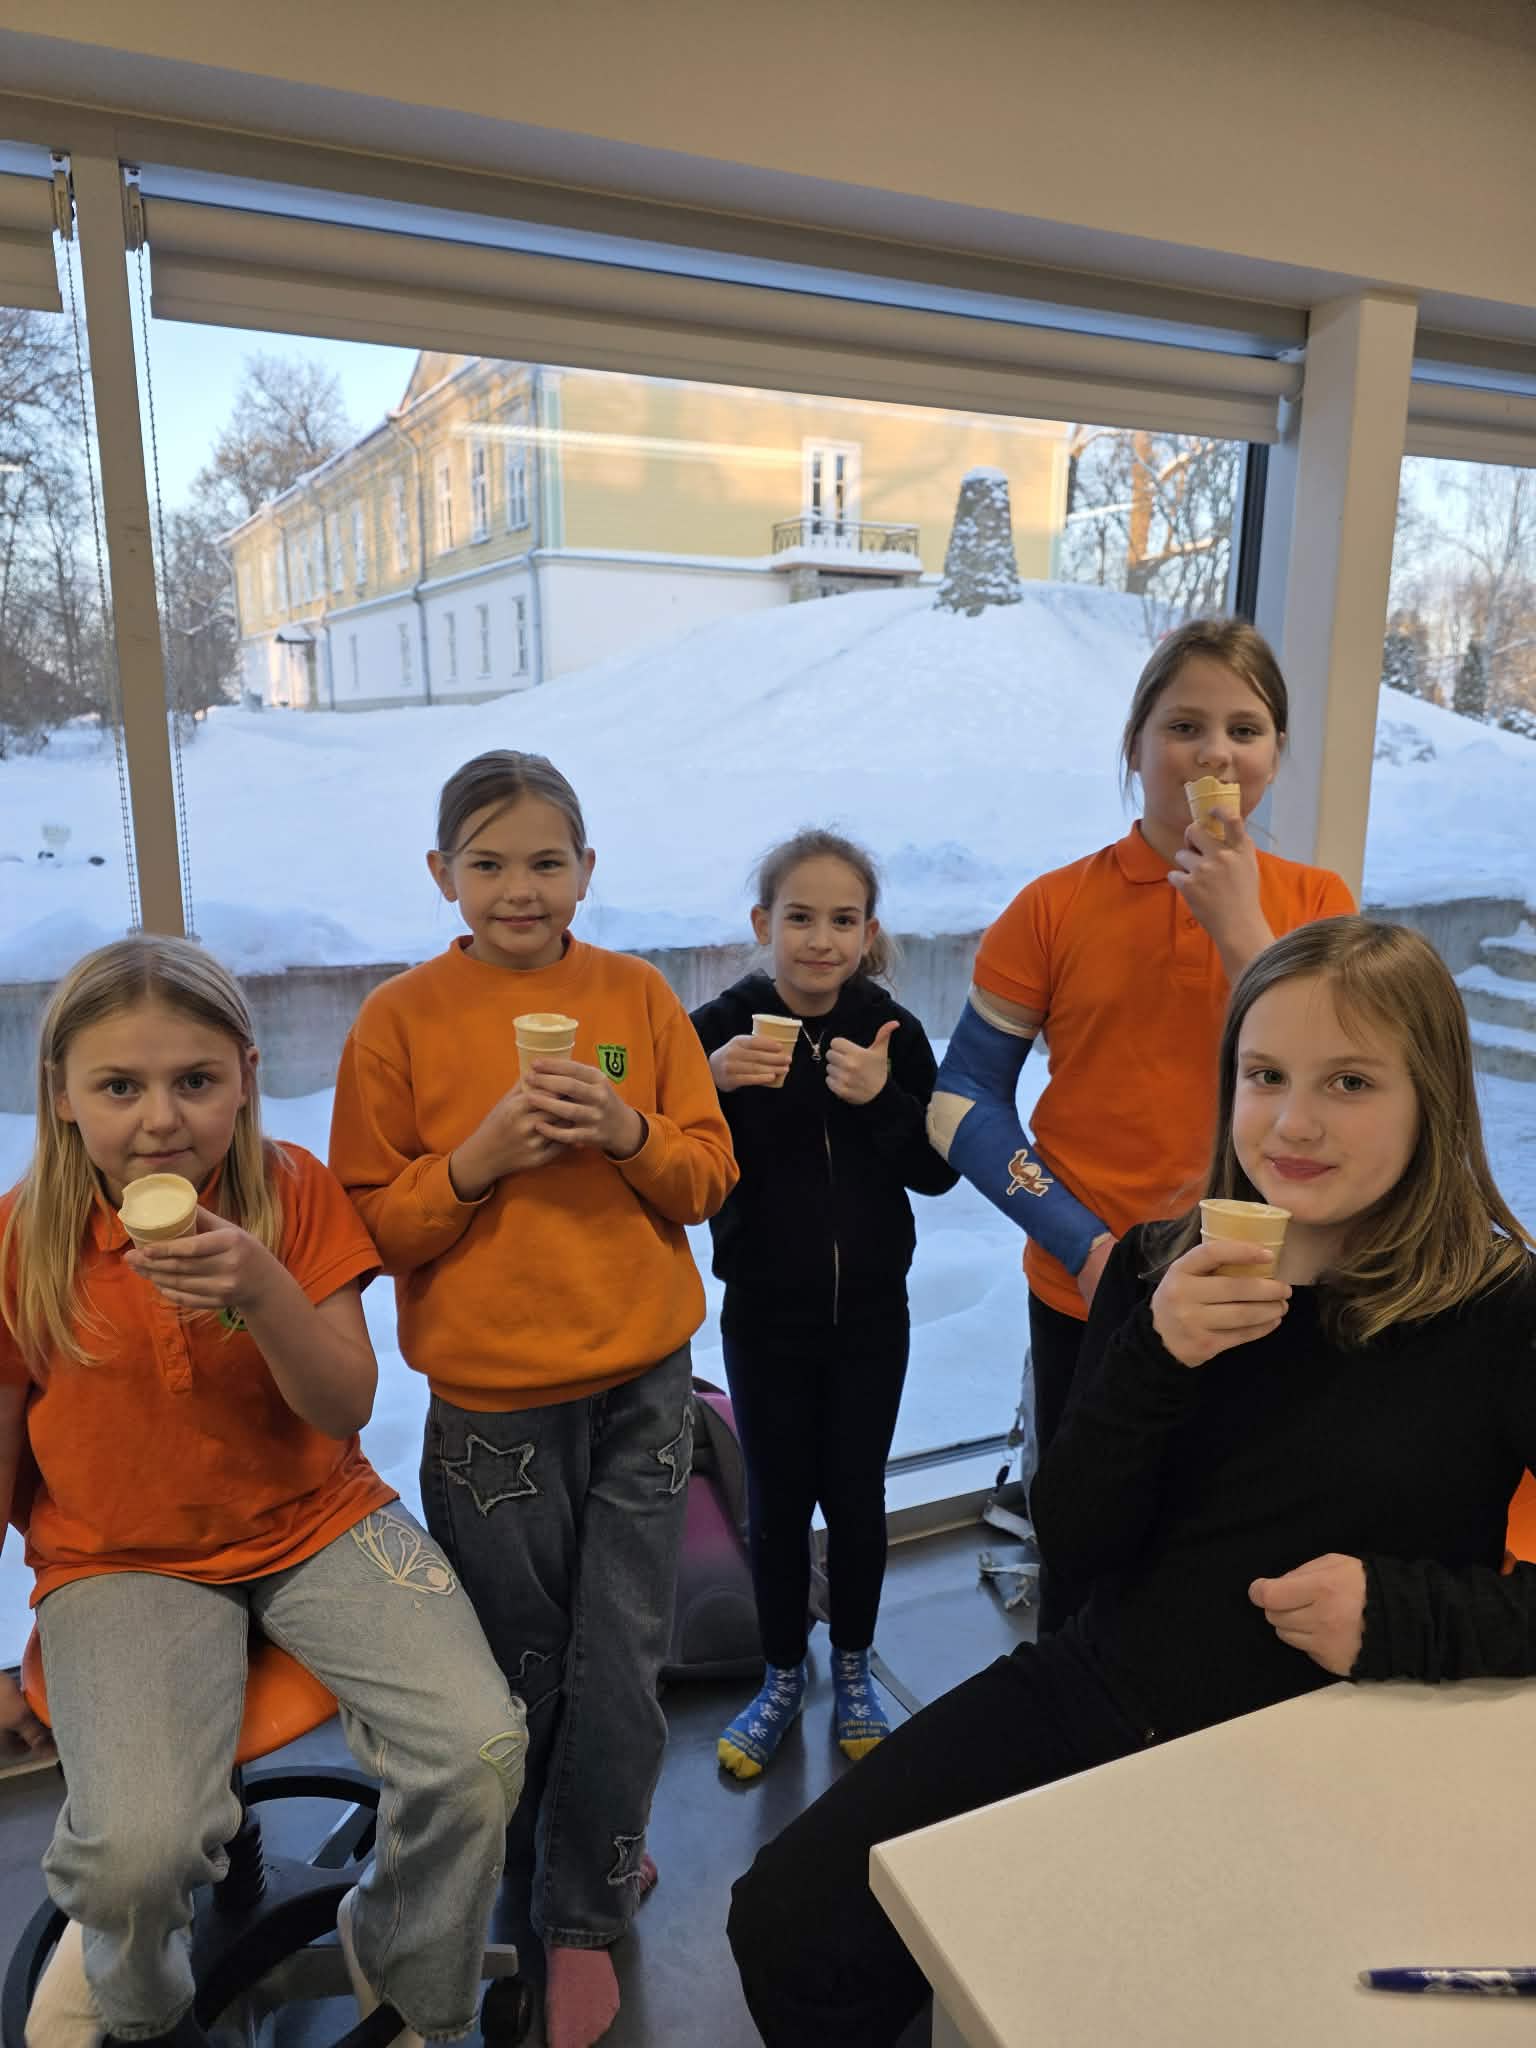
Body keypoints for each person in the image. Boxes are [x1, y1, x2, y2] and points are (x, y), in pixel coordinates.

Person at [730, 916, 1536, 2047]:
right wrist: (1156, 1353)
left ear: (1433, 1099)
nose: (1293, 1123)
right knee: (789, 1921)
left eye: (1350, 1082)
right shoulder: (1158, 1263)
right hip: (1112, 1694)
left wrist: (1407, 1614)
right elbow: (1077, 1539)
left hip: (1357, 1735)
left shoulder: (1499, 1311)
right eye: (1265, 1075)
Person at [0, 936, 525, 2048]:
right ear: (60, 1096)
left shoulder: (292, 1192)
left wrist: (265, 1289)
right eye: (119, 1086)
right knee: (135, 1856)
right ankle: (136, 1990)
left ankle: (406, 1955)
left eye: (194, 1080)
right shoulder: (23, 1240)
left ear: (244, 1076)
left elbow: (342, 1405)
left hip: (316, 1519)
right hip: (118, 1557)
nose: (160, 1121)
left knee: (478, 1751)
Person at [329, 749, 737, 2048]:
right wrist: (476, 1161)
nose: (521, 887)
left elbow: (706, 1177)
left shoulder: (636, 997)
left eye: (547, 861)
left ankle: (583, 1908)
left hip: (644, 1386)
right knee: (523, 1668)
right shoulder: (399, 1020)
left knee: (624, 1657)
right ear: (441, 874)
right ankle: (556, 1848)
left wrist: (626, 1131)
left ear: (587, 870)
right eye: (489, 862)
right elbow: (368, 1228)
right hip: (491, 1410)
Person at [928, 617, 1356, 1495]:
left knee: (1240, 1534)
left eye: (1245, 729)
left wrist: (1242, 930)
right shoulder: (1052, 907)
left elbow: (1339, 1093)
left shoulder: (1320, 904)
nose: (1216, 753)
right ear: (1134, 746)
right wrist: (1085, 1249)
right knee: (1085, 1536)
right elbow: (959, 1102)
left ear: (1276, 754)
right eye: (1184, 726)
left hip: (1268, 1288)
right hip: (1086, 1290)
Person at [691, 830, 957, 1779]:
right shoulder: (717, 1028)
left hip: (873, 1318)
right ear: (762, 923)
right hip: (764, 1315)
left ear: (869, 932)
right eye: (799, 917)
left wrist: (882, 1098)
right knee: (775, 1504)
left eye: (843, 920)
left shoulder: (891, 1030)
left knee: (855, 1496)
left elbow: (937, 1173)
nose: (820, 939)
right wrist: (710, 1085)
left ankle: (851, 1667)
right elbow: (668, 1156)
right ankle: (778, 1675)